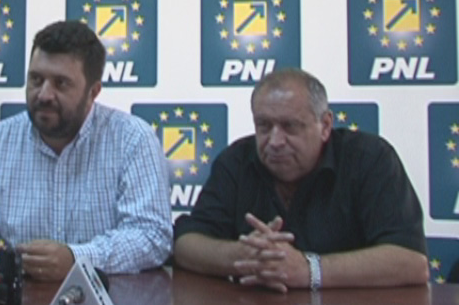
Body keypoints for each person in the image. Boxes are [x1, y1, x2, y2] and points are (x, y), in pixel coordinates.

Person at [0, 20, 172, 281]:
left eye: (61, 84)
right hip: (19, 301)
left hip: (111, 301)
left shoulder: (132, 139)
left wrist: (77, 259)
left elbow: (151, 235)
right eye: (36, 80)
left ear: (93, 92)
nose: (44, 95)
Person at [174, 68, 429, 291]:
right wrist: (245, 257)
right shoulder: (236, 161)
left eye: (290, 126)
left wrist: (309, 270)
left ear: (325, 126)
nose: (275, 141)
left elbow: (411, 262)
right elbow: (185, 244)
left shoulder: (369, 158)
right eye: (264, 126)